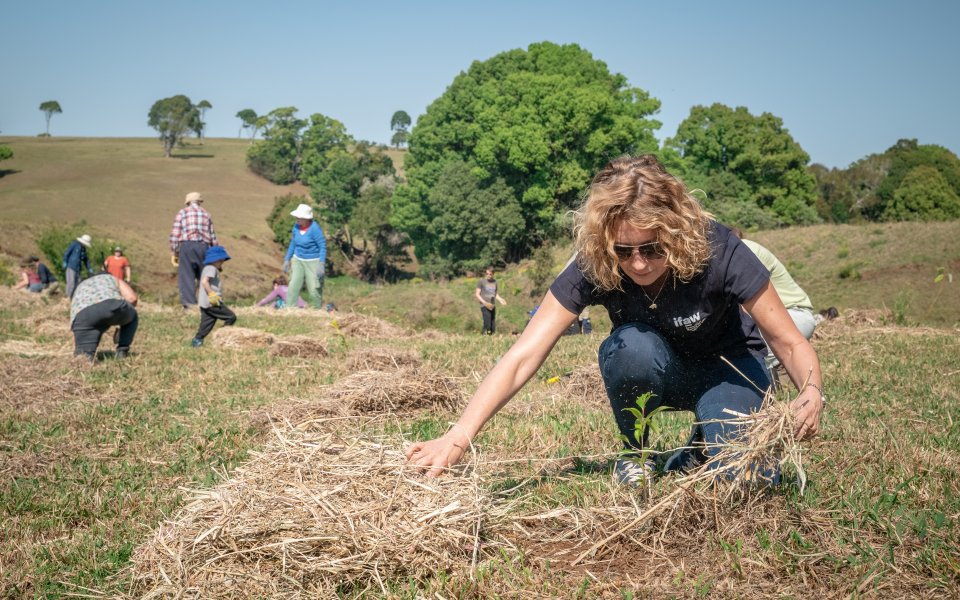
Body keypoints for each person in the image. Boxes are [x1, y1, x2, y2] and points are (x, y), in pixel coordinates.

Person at [406, 155, 826, 488]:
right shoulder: (596, 261)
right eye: (624, 251)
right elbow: (523, 354)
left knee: (746, 479)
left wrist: (811, 391)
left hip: (730, 369)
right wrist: (458, 436)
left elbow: (788, 341)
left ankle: (705, 442)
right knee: (630, 348)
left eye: (652, 248)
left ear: (676, 231)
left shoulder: (720, 249)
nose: (638, 264)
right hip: (660, 368)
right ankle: (635, 454)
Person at [69, 271, 139, 361]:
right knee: (133, 315)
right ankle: (122, 350)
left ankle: (86, 358)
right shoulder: (111, 278)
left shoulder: (80, 285)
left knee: (83, 357)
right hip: (111, 305)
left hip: (82, 316)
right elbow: (132, 298)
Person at [169, 192, 218, 310]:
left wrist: (174, 252)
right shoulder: (206, 214)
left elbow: (175, 234)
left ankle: (189, 306)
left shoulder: (182, 212)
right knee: (204, 276)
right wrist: (215, 255)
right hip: (204, 247)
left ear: (187, 202)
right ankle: (206, 304)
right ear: (199, 202)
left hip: (187, 246)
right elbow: (213, 237)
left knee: (186, 277)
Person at [282, 204, 326, 310]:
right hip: (298, 259)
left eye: (299, 217)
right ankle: (290, 308)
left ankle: (315, 309)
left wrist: (321, 263)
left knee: (314, 288)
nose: (296, 219)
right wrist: (287, 259)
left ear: (306, 218)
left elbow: (322, 246)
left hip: (313, 261)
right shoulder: (296, 227)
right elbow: (293, 243)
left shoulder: (314, 229)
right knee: (293, 284)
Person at [191, 245, 237, 347]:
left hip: (205, 303)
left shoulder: (207, 268)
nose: (222, 262)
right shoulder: (211, 268)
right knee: (231, 317)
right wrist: (212, 294)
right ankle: (223, 337)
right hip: (212, 302)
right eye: (221, 261)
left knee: (206, 324)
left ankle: (197, 341)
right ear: (216, 260)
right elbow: (204, 282)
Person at [475, 266, 507, 334]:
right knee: (488, 324)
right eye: (487, 274)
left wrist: (501, 300)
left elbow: (495, 294)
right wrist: (484, 303)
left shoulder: (494, 282)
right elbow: (477, 294)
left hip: (492, 305)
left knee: (492, 325)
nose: (488, 275)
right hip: (484, 305)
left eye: (490, 274)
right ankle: (488, 337)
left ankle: (483, 336)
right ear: (485, 273)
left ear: (493, 274)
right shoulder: (481, 281)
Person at [63, 234, 93, 298]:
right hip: (71, 267)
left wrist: (89, 268)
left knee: (77, 284)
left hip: (78, 269)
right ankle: (67, 298)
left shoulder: (83, 249)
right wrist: (65, 261)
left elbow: (86, 260)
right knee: (71, 283)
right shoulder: (74, 244)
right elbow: (67, 253)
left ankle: (73, 298)